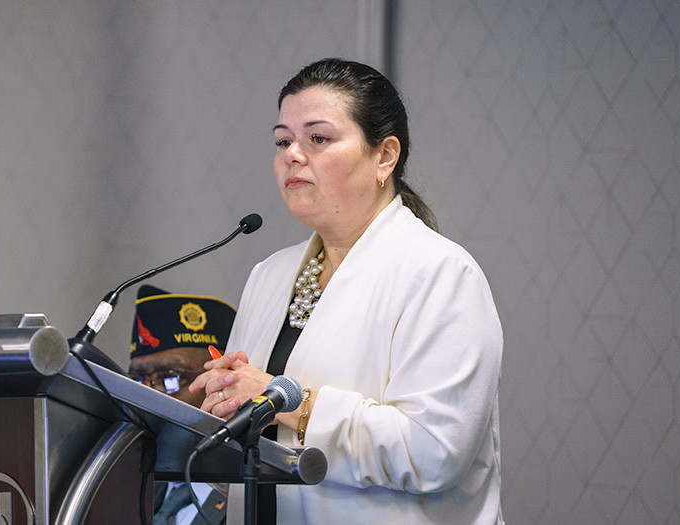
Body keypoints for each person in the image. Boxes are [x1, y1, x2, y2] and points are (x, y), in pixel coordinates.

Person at [189, 58, 504, 524]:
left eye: (318, 138)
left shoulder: (440, 273)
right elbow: (241, 454)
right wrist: (225, 407)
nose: (293, 154)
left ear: (384, 156)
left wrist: (282, 401)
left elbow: (433, 452)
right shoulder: (270, 275)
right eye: (282, 141)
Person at [128, 284, 236, 525]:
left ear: (222, 381)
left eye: (169, 377)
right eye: (137, 379)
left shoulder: (254, 494)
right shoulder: (129, 490)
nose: (149, 395)